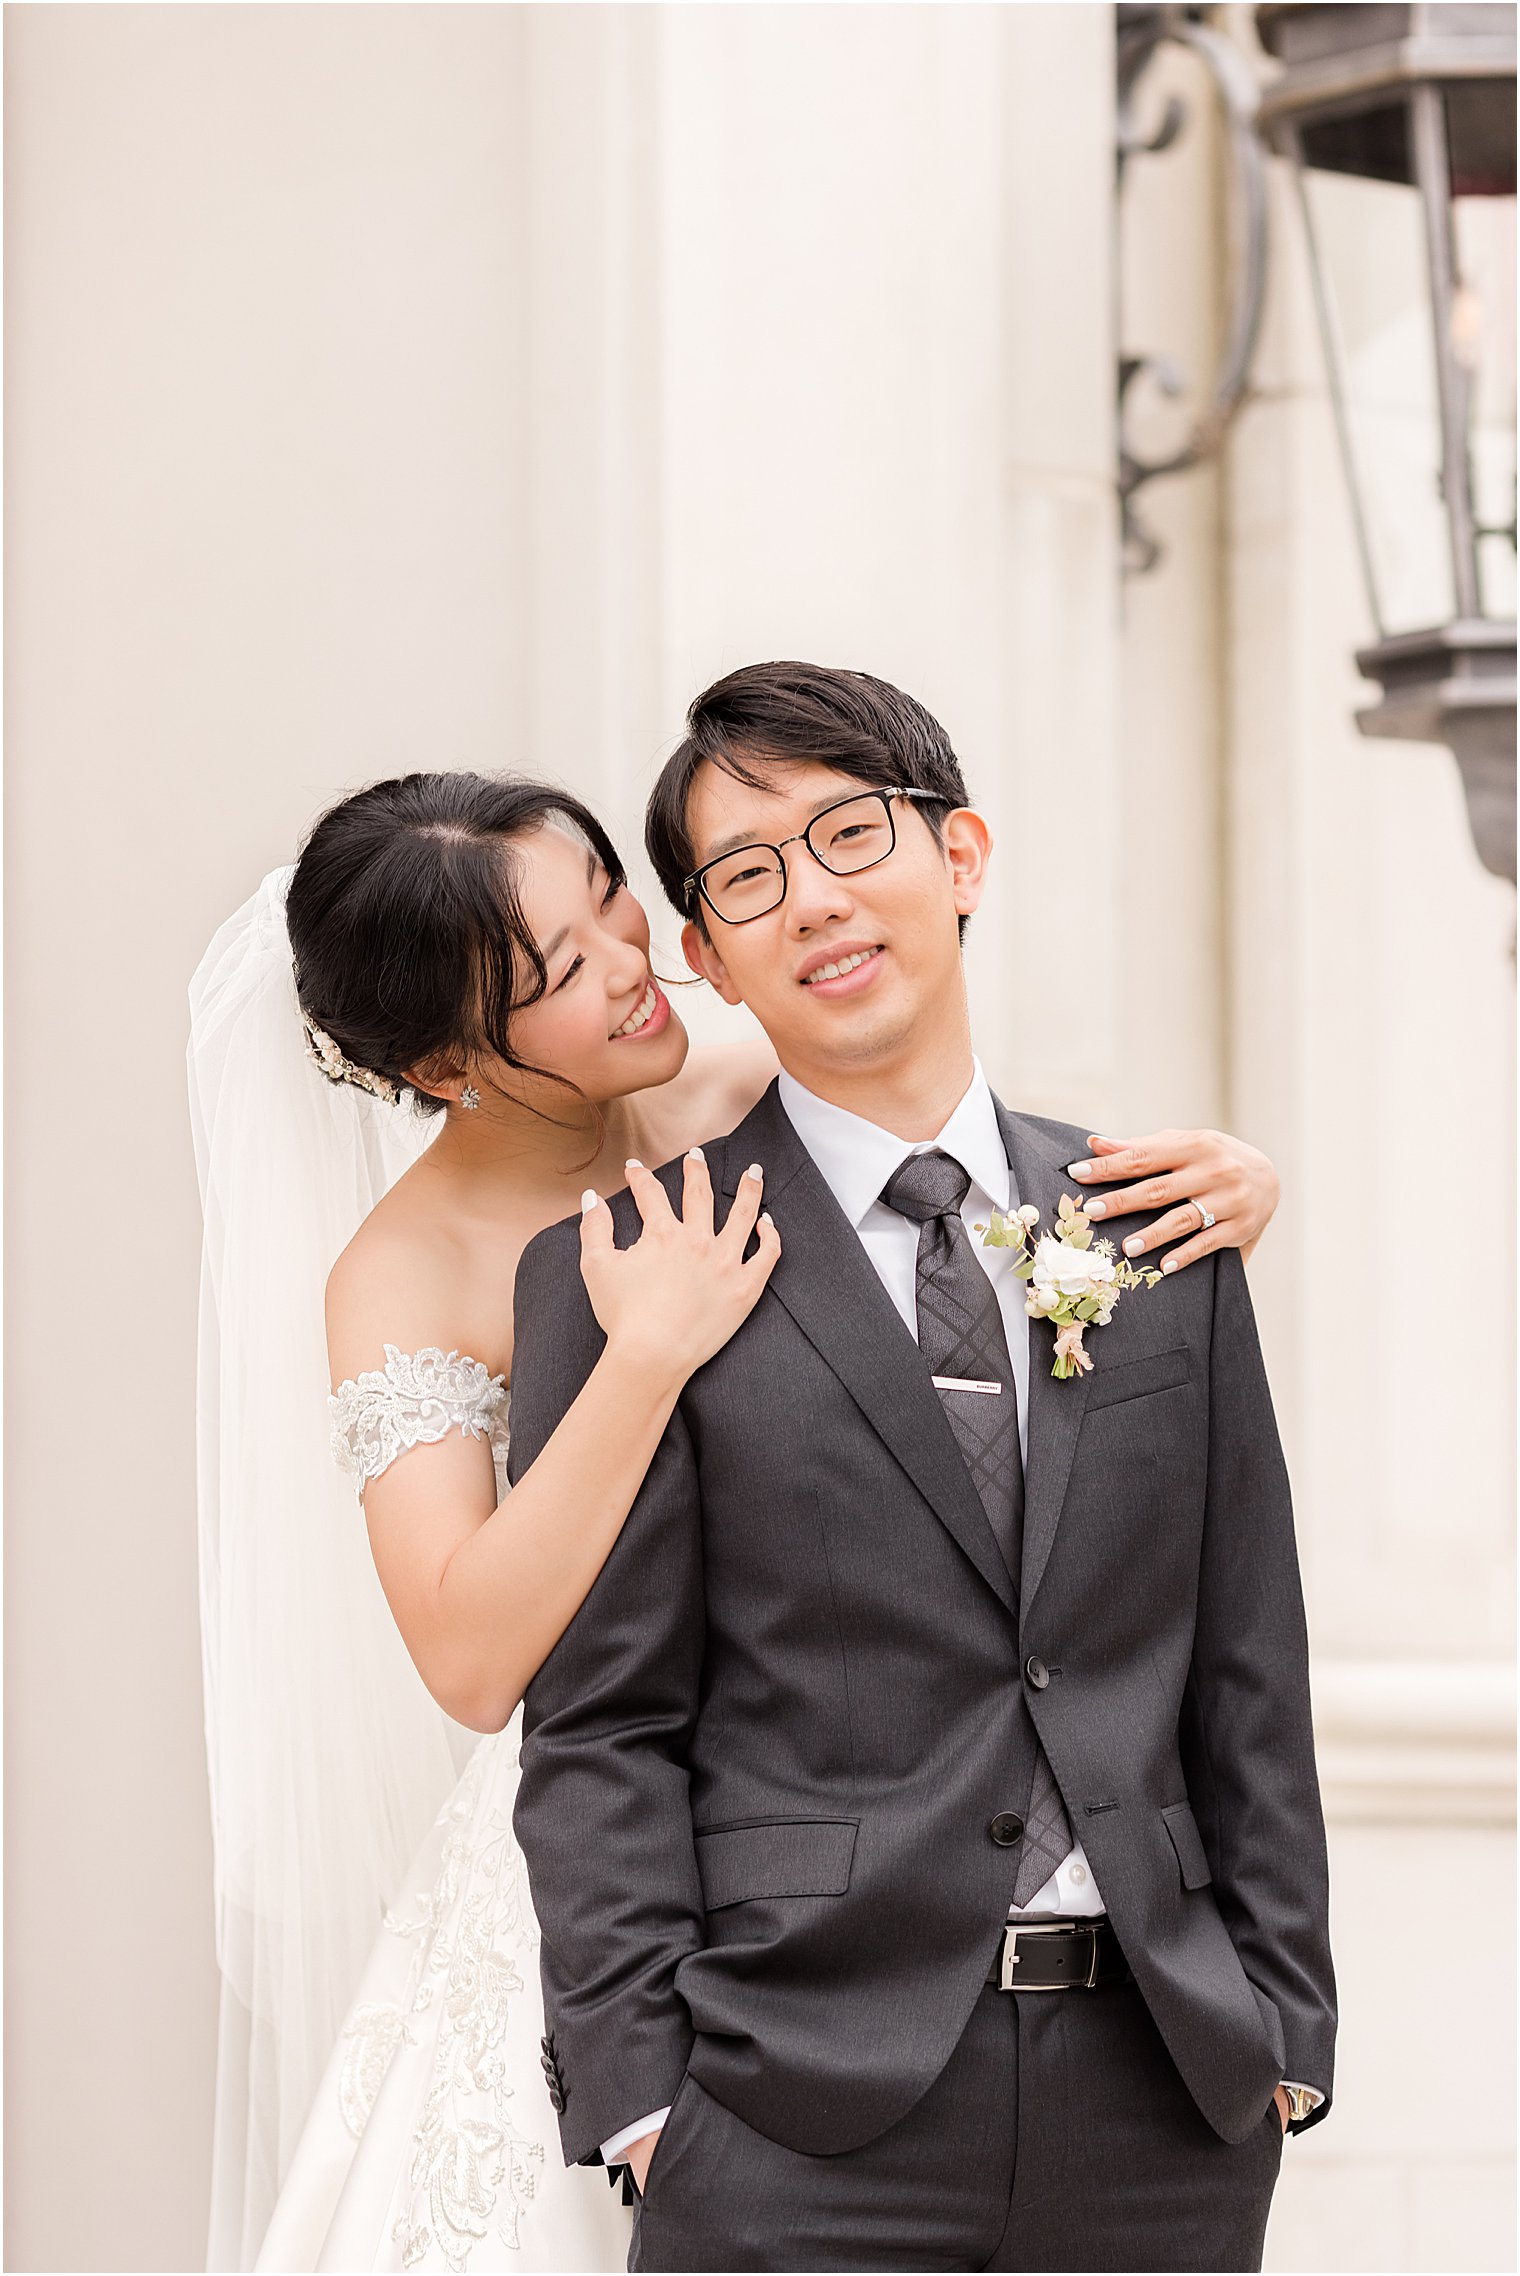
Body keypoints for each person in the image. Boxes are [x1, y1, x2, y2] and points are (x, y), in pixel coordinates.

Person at [189, 764, 1287, 2274]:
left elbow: (952, 1173)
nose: (636, 966)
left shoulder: (716, 1088)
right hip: (631, 1886)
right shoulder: (409, 1268)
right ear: (451, 1061)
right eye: (568, 972)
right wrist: (640, 1356)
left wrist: (1232, 1182)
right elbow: (468, 1654)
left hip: (911, 1873)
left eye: (611, 908)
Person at [508, 664, 1335, 2274]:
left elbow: (1249, 1659)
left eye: (849, 833)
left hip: (1167, 2102)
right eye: (748, 876)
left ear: (958, 857)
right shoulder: (626, 1264)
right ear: (708, 958)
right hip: (788, 2116)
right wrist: (644, 2104)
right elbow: (603, 1720)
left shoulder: (1161, 1224)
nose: (811, 898)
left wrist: (1284, 2035)